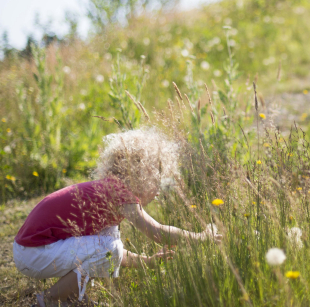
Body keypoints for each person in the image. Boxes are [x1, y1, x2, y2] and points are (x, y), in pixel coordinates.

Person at [12, 127, 222, 307]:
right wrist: (200, 238)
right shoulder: (119, 193)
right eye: (158, 174)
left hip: (32, 250)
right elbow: (155, 231)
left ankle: (69, 298)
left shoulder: (109, 193)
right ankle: (48, 300)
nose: (159, 187)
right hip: (34, 252)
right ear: (142, 171)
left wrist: (146, 262)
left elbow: (113, 250)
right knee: (105, 249)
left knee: (106, 248)